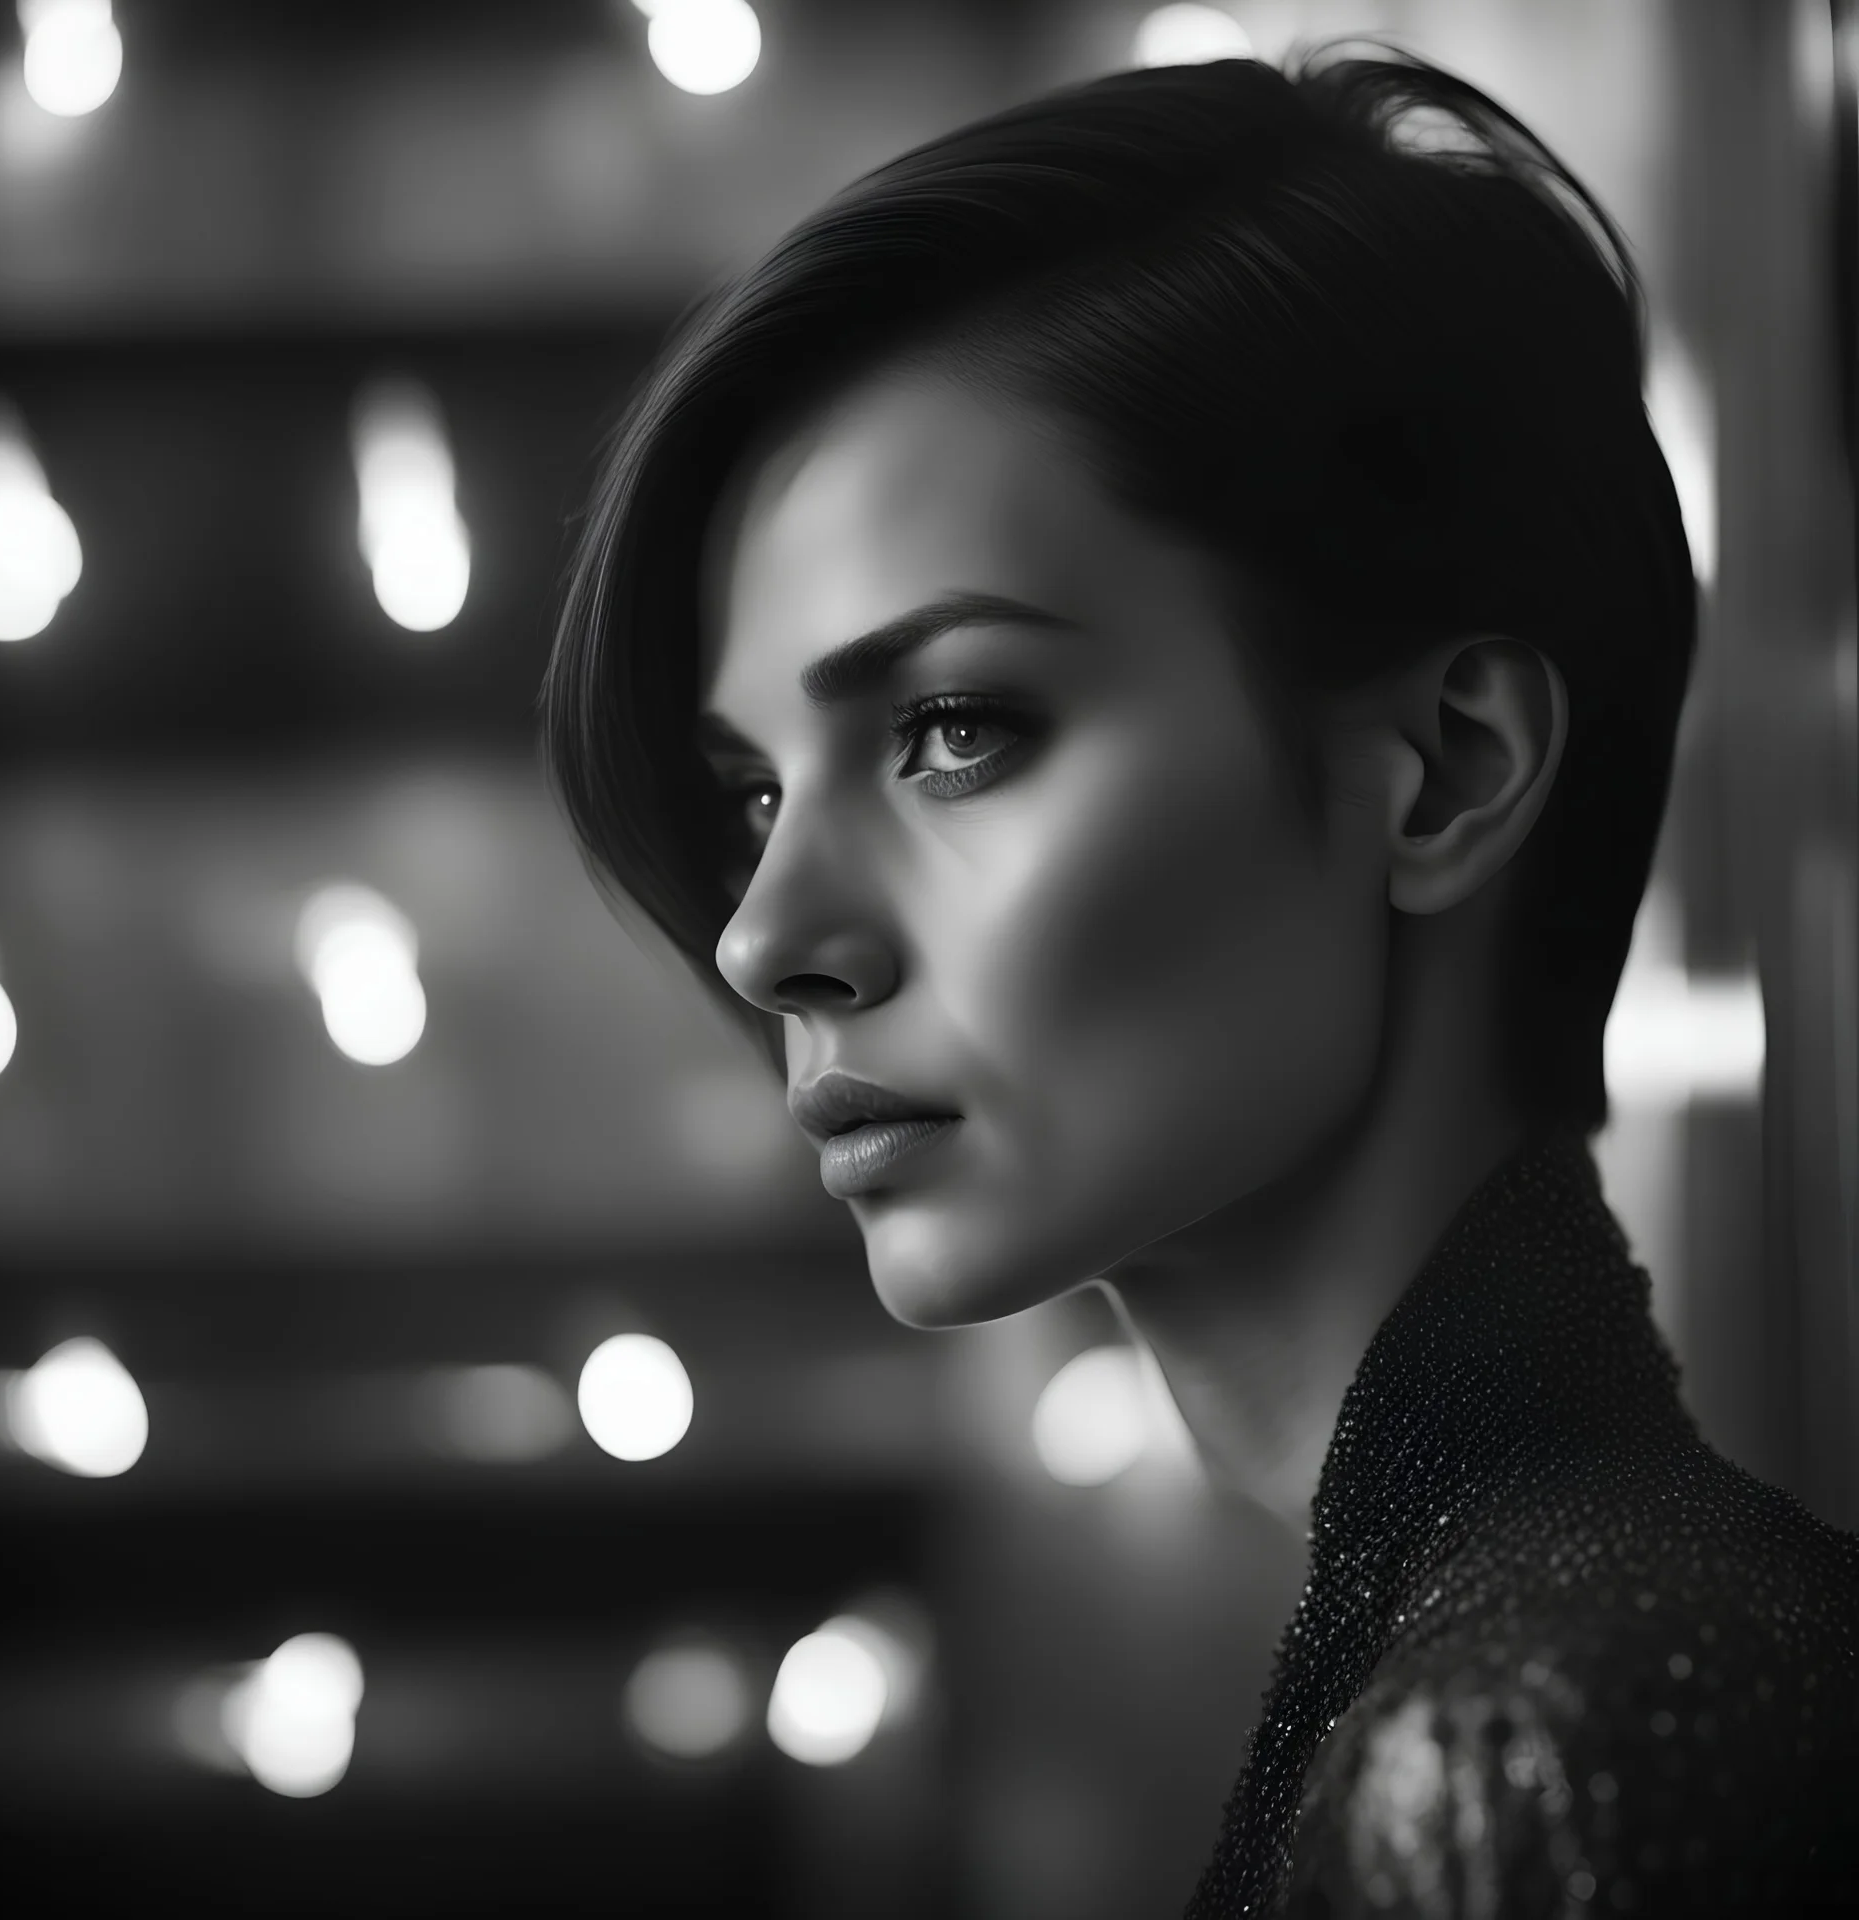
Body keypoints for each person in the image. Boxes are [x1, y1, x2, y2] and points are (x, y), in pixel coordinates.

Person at [539, 38, 1859, 1917]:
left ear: (1453, 770)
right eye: (755, 789)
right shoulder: (1535, 1657)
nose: (765, 934)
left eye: (955, 727)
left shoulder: (1533, 1750)